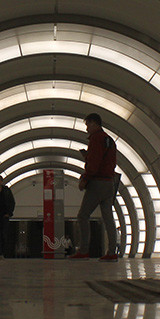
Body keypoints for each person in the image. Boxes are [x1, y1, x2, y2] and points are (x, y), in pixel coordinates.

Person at [70, 112, 120, 261]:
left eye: (87, 125)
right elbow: (109, 161)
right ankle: (112, 252)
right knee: (108, 218)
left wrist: (85, 178)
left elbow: (94, 163)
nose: (87, 129)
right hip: (109, 182)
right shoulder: (109, 140)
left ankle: (84, 250)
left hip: (97, 182)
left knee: (83, 215)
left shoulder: (96, 139)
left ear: (94, 123)